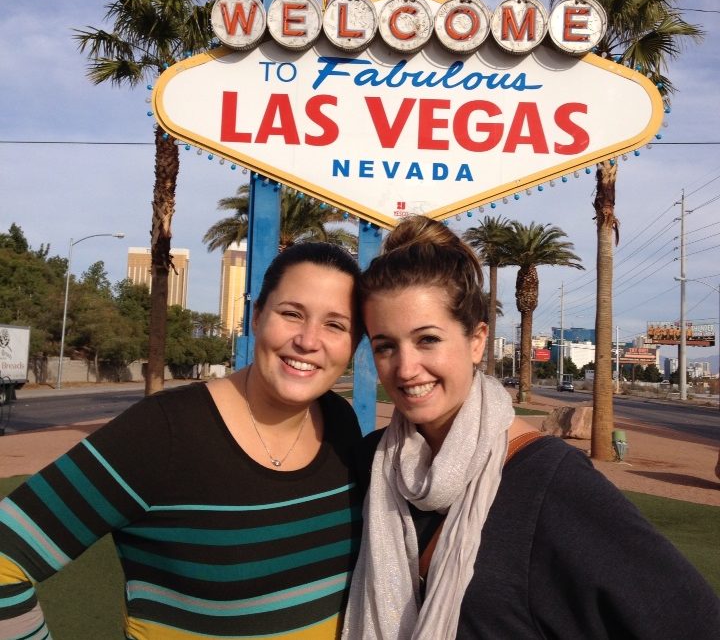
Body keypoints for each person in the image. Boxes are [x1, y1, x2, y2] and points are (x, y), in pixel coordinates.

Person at [342, 215, 720, 640]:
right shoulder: (373, 463)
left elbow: (691, 619)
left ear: (477, 340)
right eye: (386, 346)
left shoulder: (552, 483)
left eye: (428, 339)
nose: (407, 368)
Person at [0, 242, 364, 640]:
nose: (309, 341)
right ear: (257, 316)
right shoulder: (164, 431)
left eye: (336, 324)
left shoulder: (340, 423)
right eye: (291, 314)